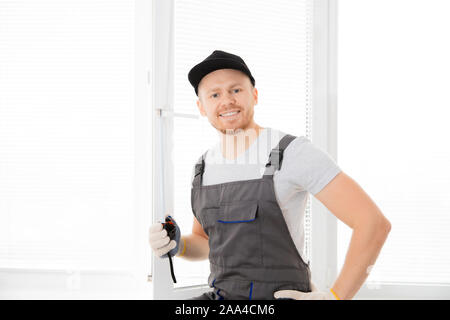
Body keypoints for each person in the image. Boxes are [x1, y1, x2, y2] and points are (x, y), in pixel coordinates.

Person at [149, 50, 391, 300]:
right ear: (201, 107)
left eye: (236, 90)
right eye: (214, 94)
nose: (227, 101)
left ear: (254, 95)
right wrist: (179, 245)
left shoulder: (292, 152)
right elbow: (207, 241)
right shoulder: (202, 167)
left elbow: (373, 223)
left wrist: (335, 297)